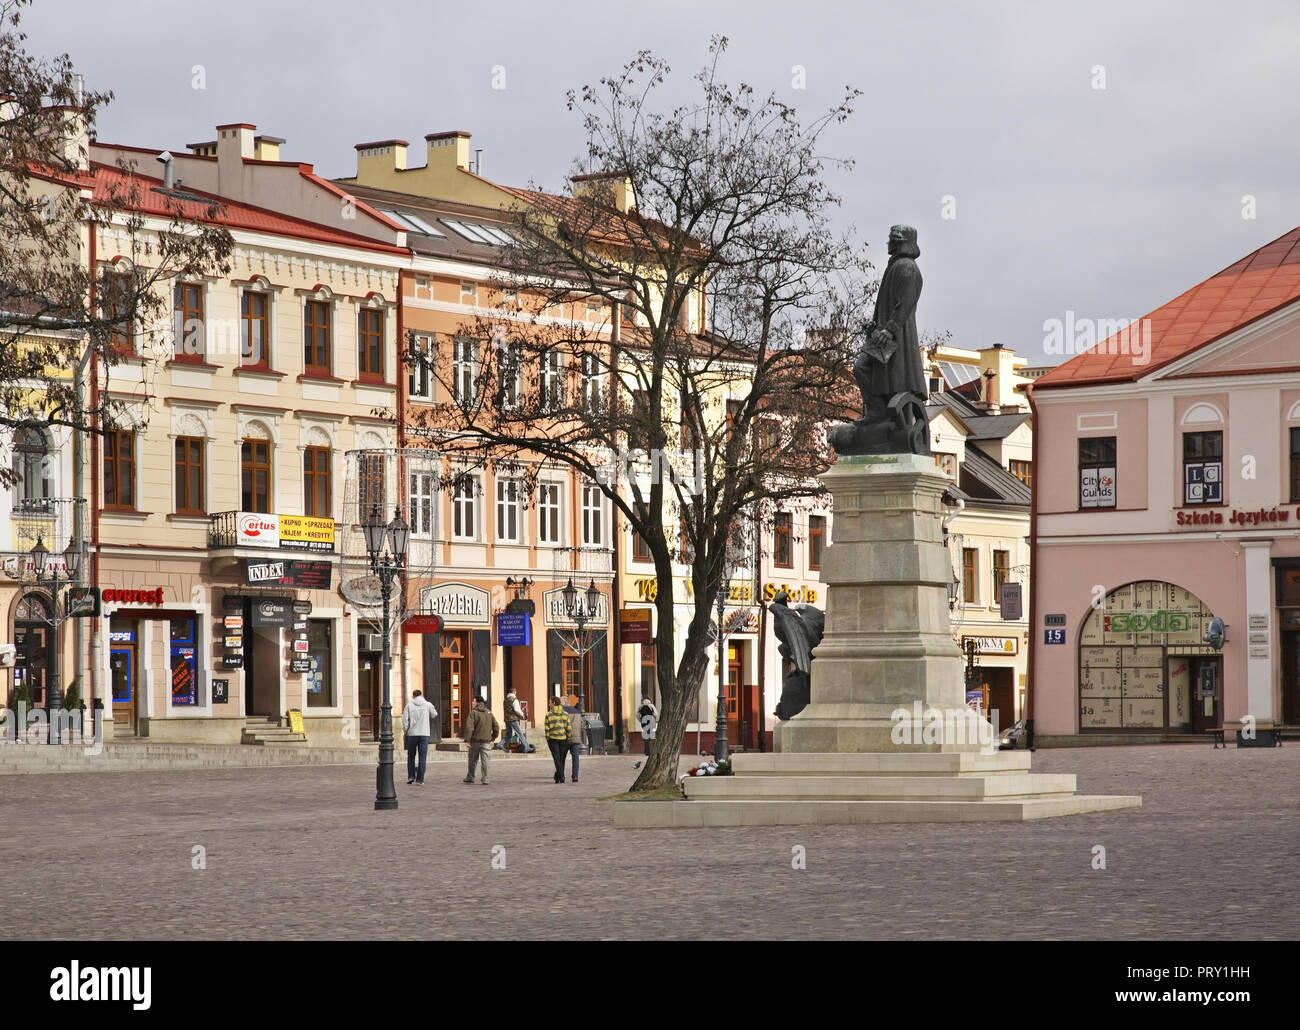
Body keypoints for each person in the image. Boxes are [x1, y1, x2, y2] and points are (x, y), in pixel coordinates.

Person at [461, 698, 499, 785]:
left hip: (475, 741)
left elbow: (469, 727)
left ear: (477, 702)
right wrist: (493, 737)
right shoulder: (489, 713)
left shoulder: (473, 713)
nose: (472, 702)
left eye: (473, 701)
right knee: (485, 760)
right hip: (486, 741)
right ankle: (485, 779)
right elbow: (496, 726)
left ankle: (470, 777)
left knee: (472, 760)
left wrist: (467, 739)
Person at [401, 689, 436, 785]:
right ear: (422, 695)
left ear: (413, 696)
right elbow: (434, 714)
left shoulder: (409, 705)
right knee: (422, 757)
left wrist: (406, 730)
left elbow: (404, 720)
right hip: (424, 734)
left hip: (412, 734)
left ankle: (411, 776)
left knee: (411, 756)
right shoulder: (428, 704)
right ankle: (420, 780)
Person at [544, 695, 570, 784]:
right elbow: (568, 727)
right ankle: (558, 776)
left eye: (549, 702)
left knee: (556, 758)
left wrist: (548, 737)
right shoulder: (565, 714)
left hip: (553, 739)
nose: (549, 704)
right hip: (563, 738)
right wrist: (568, 736)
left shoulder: (548, 714)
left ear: (554, 703)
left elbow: (547, 728)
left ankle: (561, 775)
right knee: (562, 758)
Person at [566, 702, 585, 783]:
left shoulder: (563, 712)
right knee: (575, 758)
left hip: (566, 738)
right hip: (576, 739)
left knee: (562, 757)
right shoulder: (577, 712)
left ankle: (560, 774)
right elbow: (582, 725)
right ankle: (575, 775)